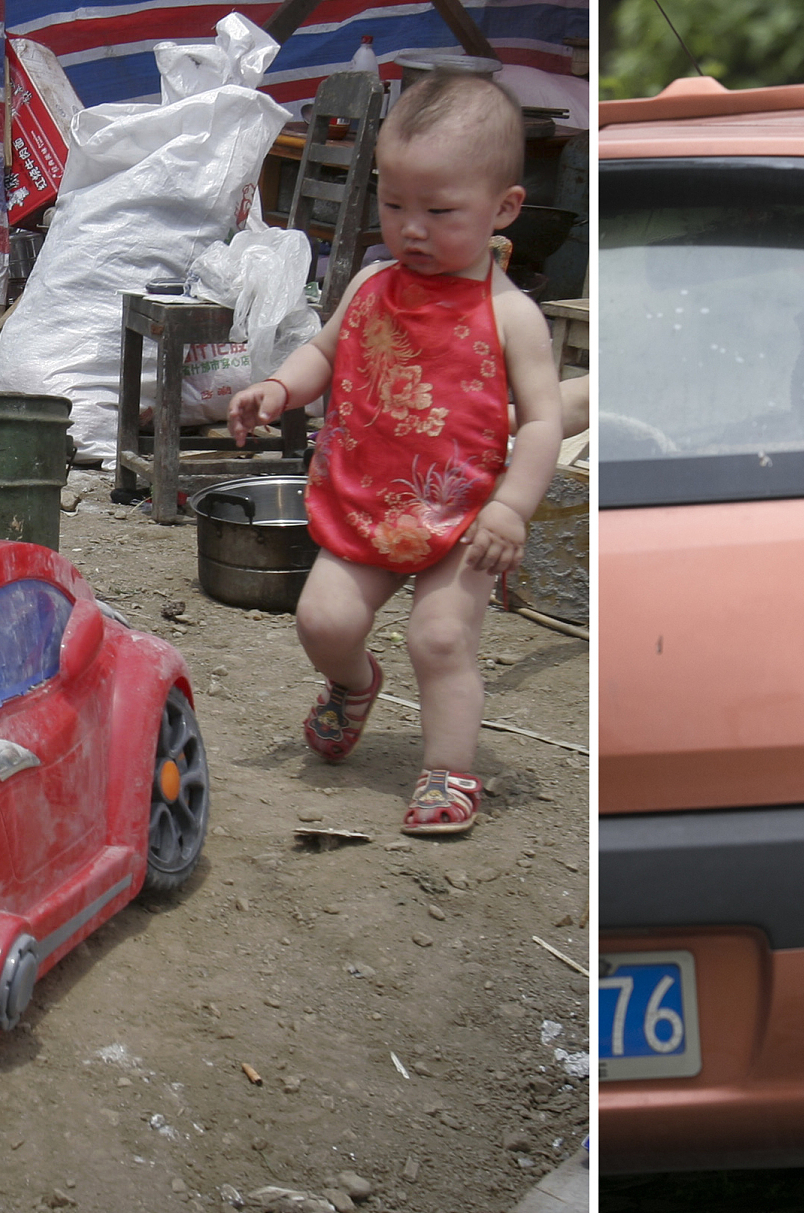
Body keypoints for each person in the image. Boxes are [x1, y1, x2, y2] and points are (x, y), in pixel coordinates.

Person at [227, 70, 563, 836]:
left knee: (440, 638)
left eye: (440, 211)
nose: (412, 227)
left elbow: (543, 421)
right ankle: (352, 684)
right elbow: (324, 349)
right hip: (367, 501)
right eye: (394, 202)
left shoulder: (512, 316)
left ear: (504, 208)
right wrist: (279, 388)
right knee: (322, 621)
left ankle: (448, 770)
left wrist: (512, 508)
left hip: (464, 517)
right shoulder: (375, 283)